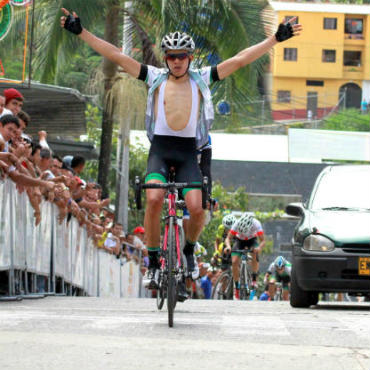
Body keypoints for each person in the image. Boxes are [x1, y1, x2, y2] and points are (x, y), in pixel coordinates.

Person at [60, 8, 302, 299]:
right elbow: (117, 55)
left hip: (189, 152)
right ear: (165, 58)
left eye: (182, 56)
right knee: (153, 198)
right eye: (171, 56)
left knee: (197, 208)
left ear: (190, 57)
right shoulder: (154, 77)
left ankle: (187, 250)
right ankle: (152, 259)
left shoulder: (202, 77)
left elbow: (239, 60)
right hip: (161, 149)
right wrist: (81, 32)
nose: (176, 61)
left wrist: (275, 39)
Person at [224, 213, 265, 300]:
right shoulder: (236, 223)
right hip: (239, 241)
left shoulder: (256, 224)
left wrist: (259, 248)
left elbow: (263, 241)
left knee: (255, 253)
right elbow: (228, 238)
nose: (244, 233)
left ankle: (254, 280)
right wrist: (228, 246)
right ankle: (237, 287)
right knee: (234, 262)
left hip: (252, 240)